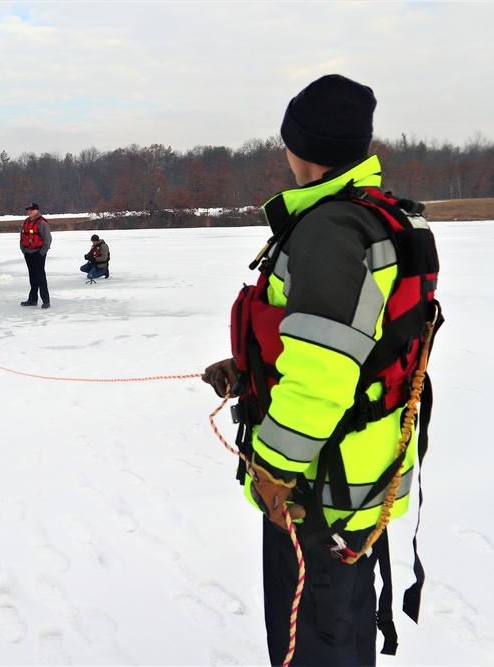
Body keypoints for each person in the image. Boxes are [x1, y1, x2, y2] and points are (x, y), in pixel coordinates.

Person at [202, 74, 441, 665]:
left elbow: (323, 377)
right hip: (360, 478)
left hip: (315, 491)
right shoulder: (375, 217)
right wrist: (247, 367)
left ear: (299, 148)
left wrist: (276, 471)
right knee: (342, 633)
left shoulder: (330, 233)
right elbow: (360, 345)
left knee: (314, 646)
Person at [19, 202, 51, 309]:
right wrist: (24, 250)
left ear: (36, 211)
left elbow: (47, 240)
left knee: (40, 277)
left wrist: (41, 253)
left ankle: (46, 300)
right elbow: (22, 237)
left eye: (31, 210)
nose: (29, 212)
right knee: (32, 277)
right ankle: (32, 299)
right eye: (28, 210)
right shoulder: (27, 222)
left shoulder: (42, 223)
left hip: (38, 253)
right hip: (28, 253)